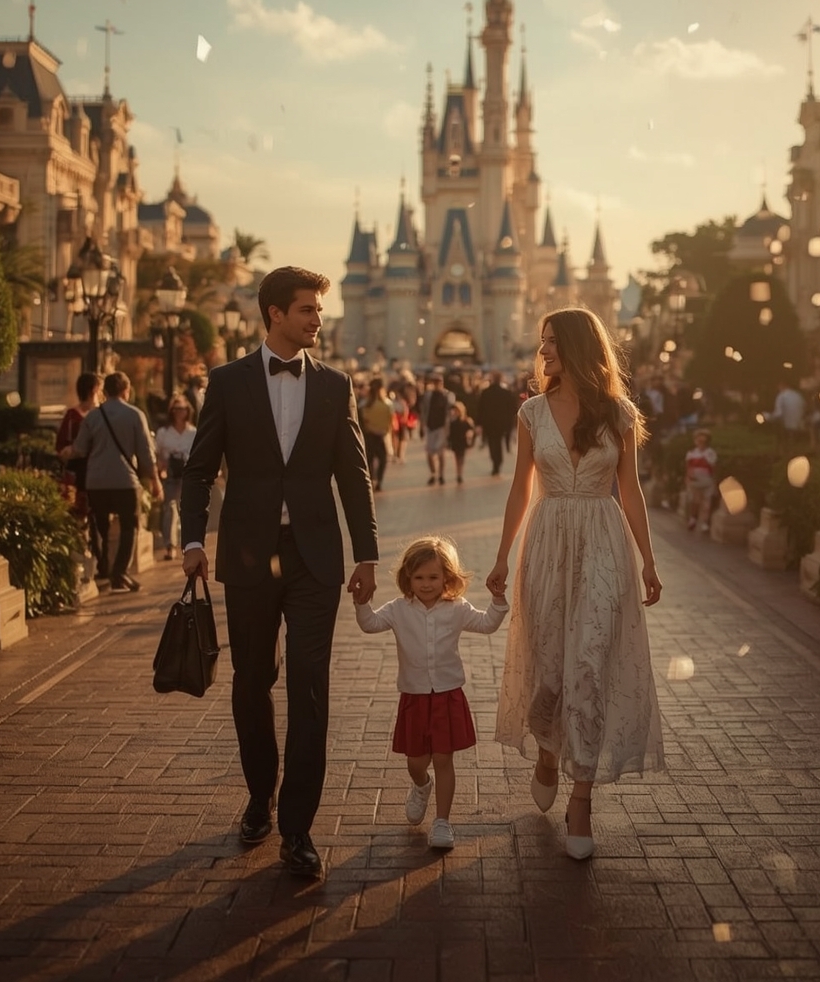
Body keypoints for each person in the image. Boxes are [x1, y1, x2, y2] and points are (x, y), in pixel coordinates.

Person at [180, 266, 379, 879]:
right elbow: (199, 469)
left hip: (315, 558)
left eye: (319, 310)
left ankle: (298, 828)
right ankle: (260, 795)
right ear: (273, 314)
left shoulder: (335, 385)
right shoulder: (228, 382)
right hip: (247, 553)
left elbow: (353, 473)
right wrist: (191, 539)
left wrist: (368, 552)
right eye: (306, 310)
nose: (317, 319)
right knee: (252, 680)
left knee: (310, 687)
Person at [487, 307, 665, 861]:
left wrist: (648, 561)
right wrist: (501, 557)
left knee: (589, 663)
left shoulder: (619, 412)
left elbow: (629, 490)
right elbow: (520, 490)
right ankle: (547, 747)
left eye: (551, 343)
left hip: (603, 544)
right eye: (541, 343)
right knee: (550, 671)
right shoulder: (531, 413)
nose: (542, 353)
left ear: (578, 347)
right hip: (546, 544)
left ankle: (581, 799)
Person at [354, 536, 508, 850]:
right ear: (407, 578)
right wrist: (361, 601)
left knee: (442, 758)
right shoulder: (398, 609)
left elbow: (487, 624)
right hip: (413, 696)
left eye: (433, 577)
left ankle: (442, 822)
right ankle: (421, 786)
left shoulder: (457, 608)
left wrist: (498, 601)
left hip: (447, 695)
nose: (426, 584)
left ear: (447, 578)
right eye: (419, 577)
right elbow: (370, 624)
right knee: (416, 761)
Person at [72, 371, 162, 592]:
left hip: (96, 482)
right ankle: (119, 572)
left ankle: (103, 567)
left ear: (105, 392)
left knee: (99, 527)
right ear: (125, 390)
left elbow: (80, 449)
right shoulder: (135, 415)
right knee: (129, 527)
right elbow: (145, 453)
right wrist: (155, 480)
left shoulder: (92, 416)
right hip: (125, 481)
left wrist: (67, 452)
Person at [56, 372, 103, 573]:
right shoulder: (73, 416)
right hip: (80, 474)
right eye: (99, 389)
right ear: (94, 389)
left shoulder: (103, 414)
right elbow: (61, 446)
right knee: (81, 517)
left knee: (99, 517)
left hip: (99, 472)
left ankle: (99, 559)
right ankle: (86, 556)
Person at [155, 395, 196, 561]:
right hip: (171, 475)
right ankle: (170, 545)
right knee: (170, 508)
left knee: (188, 509)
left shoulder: (193, 432)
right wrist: (162, 466)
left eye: (183, 409)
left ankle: (190, 544)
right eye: (177, 409)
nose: (180, 412)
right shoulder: (164, 432)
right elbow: (157, 453)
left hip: (188, 474)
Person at [476, 371, 519, 476]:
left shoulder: (485, 392)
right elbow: (512, 408)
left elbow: (480, 409)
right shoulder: (506, 393)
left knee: (492, 442)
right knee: (499, 441)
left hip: (489, 422)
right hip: (502, 422)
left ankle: (495, 461)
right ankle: (498, 462)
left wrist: (479, 422)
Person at [359, 377, 394, 492]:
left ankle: (371, 480)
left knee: (369, 459)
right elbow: (390, 420)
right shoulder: (387, 404)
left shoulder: (364, 404)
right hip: (381, 435)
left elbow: (363, 421)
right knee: (382, 459)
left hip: (369, 435)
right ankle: (378, 481)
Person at [420, 373, 454, 486]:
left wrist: (448, 428)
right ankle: (433, 473)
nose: (436, 384)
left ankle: (441, 474)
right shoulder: (428, 395)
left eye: (438, 382)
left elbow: (450, 411)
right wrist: (422, 424)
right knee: (429, 452)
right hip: (430, 426)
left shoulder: (447, 395)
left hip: (441, 427)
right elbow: (424, 410)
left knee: (440, 452)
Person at [683, 428, 717, 533]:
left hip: (707, 481)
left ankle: (705, 523)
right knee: (695, 501)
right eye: (699, 440)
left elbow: (713, 467)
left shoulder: (710, 453)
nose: (701, 442)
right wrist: (688, 477)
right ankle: (693, 520)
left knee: (707, 503)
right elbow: (688, 467)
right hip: (695, 481)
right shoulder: (692, 453)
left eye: (703, 441)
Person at [767, 378, 807, 448]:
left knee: (776, 422)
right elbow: (804, 408)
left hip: (787, 426)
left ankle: (780, 446)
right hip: (800, 424)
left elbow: (778, 413)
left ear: (782, 386)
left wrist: (768, 416)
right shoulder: (798, 395)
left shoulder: (781, 396)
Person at [446, 401, 474, 484]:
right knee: (457, 458)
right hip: (455, 442)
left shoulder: (466, 421)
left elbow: (471, 430)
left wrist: (470, 435)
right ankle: (458, 473)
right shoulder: (452, 422)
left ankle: (460, 474)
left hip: (462, 441)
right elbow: (450, 433)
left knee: (461, 458)